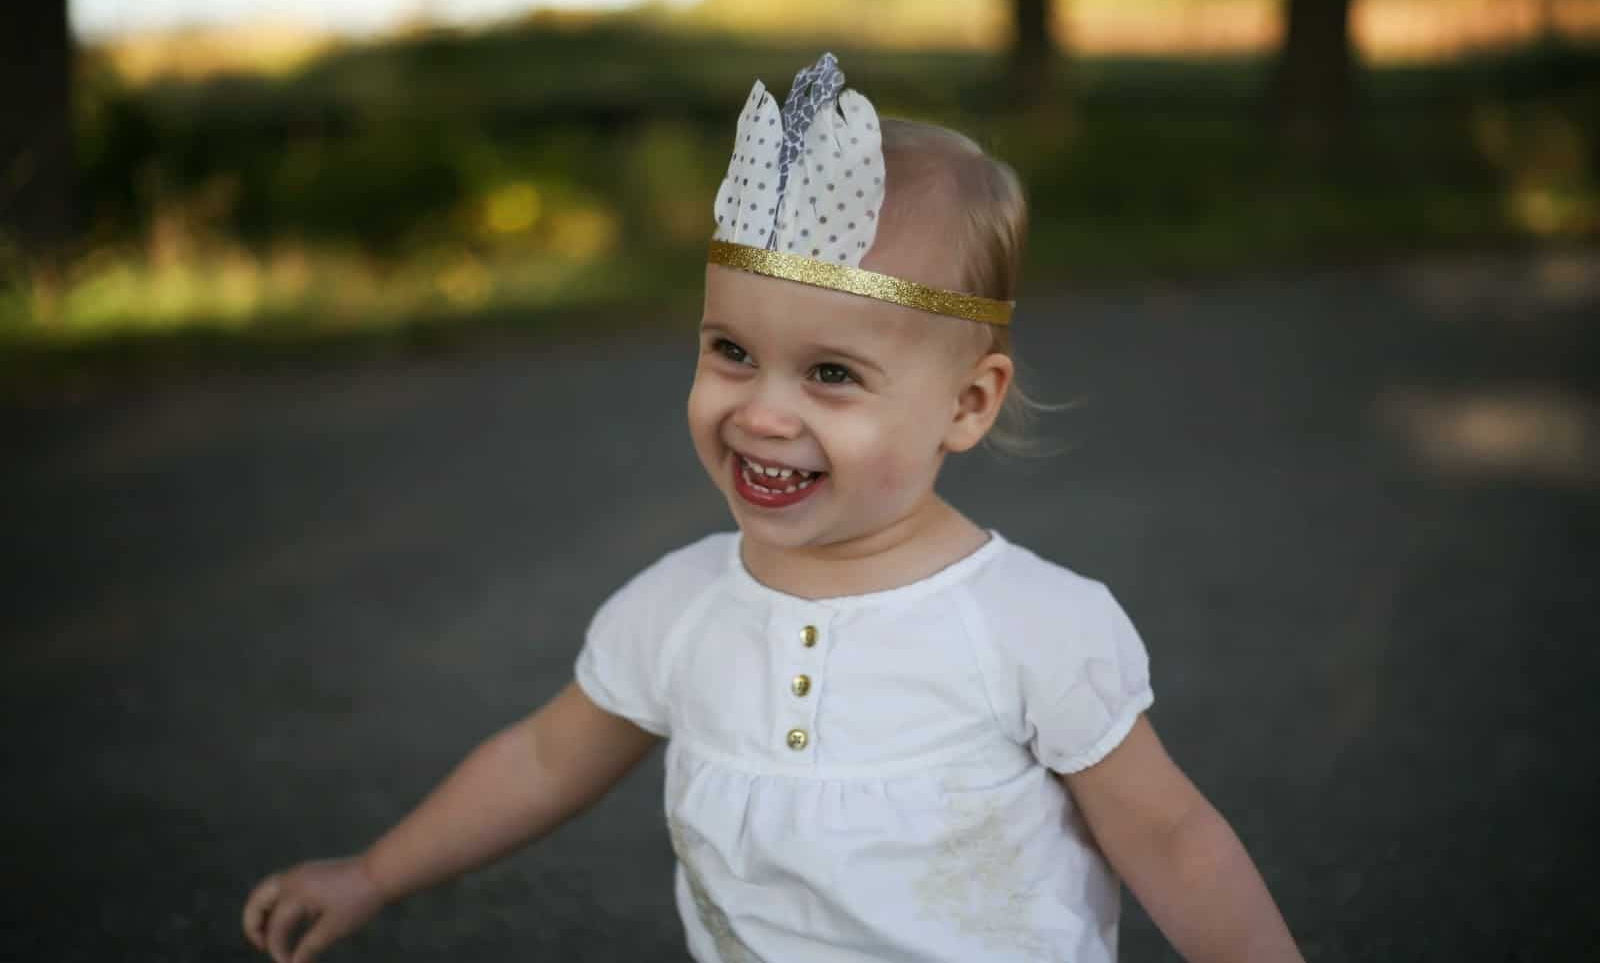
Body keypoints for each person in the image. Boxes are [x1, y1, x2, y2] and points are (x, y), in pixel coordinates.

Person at [242, 54, 1302, 963]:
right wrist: (375, 872)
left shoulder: (1030, 626)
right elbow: (541, 759)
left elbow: (1170, 837)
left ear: (966, 404)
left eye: (831, 374)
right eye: (731, 352)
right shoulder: (681, 608)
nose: (763, 411)